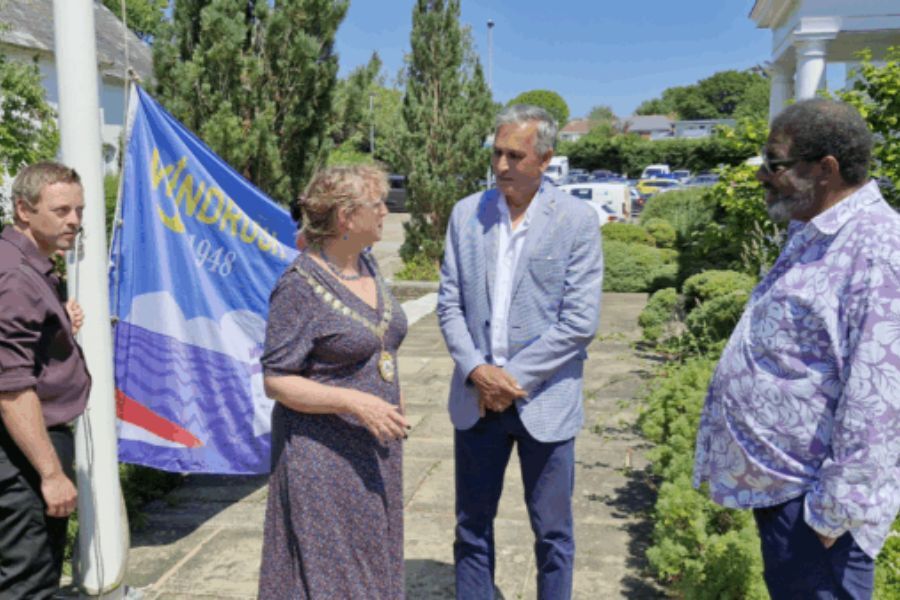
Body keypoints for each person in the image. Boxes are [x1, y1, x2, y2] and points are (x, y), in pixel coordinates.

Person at [693, 98, 900, 600]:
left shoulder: (877, 248)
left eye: (775, 163)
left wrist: (834, 511)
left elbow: (880, 396)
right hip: (787, 493)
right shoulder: (814, 228)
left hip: (819, 510)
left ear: (826, 168)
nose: (763, 176)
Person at [437, 104, 603, 599]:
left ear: (545, 158)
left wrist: (507, 382)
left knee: (553, 535)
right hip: (476, 402)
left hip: (545, 402)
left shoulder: (576, 220)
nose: (503, 165)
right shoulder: (467, 214)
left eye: (516, 155)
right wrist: (478, 371)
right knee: (471, 527)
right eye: (497, 153)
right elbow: (449, 304)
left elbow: (579, 322)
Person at [258, 164, 409, 599]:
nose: (385, 211)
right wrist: (357, 403)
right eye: (377, 203)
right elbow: (277, 380)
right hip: (322, 459)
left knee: (374, 562)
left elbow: (384, 349)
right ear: (346, 217)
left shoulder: (368, 264)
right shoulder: (298, 286)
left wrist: (392, 404)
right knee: (335, 578)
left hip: (375, 451)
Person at [0, 161, 90, 598]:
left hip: (24, 444)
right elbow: (11, 387)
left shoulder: (26, 263)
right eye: (61, 210)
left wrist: (61, 326)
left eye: (79, 210)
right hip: (22, 449)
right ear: (23, 209)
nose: (74, 220)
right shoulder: (15, 276)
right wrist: (51, 473)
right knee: (30, 582)